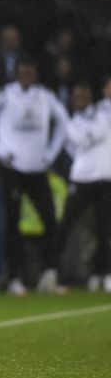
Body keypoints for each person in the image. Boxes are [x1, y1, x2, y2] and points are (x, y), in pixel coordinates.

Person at [0, 57, 69, 295]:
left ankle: (50, 273)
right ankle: (14, 278)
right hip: (13, 170)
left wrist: (50, 153)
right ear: (16, 74)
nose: (26, 76)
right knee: (13, 225)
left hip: (38, 168)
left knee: (50, 221)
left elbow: (64, 123)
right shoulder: (4, 95)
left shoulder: (45, 96)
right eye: (22, 71)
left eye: (30, 71)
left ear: (35, 74)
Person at [55, 83, 111, 292]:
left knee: (104, 230)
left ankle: (103, 274)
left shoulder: (102, 114)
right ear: (72, 99)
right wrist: (81, 135)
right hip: (81, 179)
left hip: (105, 179)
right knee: (66, 226)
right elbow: (73, 144)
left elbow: (84, 138)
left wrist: (81, 135)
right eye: (77, 96)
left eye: (84, 95)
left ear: (91, 97)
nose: (80, 99)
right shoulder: (73, 121)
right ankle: (57, 274)